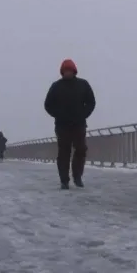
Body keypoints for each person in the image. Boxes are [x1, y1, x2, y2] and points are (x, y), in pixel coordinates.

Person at [44, 58, 96, 189]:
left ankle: (77, 177)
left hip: (79, 124)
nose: (67, 73)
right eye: (65, 71)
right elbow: (48, 105)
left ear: (74, 71)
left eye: (69, 70)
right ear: (62, 72)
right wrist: (58, 114)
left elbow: (91, 102)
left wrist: (84, 114)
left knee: (81, 150)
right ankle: (64, 180)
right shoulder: (56, 86)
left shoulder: (83, 84)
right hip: (62, 126)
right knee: (64, 152)